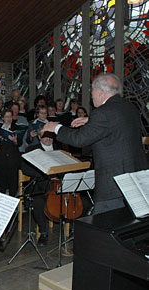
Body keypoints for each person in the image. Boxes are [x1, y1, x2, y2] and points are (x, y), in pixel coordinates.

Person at [42, 73, 149, 214]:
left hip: (113, 185)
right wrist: (89, 120)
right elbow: (115, 123)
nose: (92, 96)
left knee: (102, 231)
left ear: (100, 92)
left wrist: (55, 127)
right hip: (135, 179)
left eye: (92, 91)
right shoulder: (129, 107)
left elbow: (79, 140)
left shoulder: (102, 113)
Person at [21, 129, 60, 246]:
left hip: (58, 186)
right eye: (45, 137)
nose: (48, 139)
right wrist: (46, 173)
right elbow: (25, 169)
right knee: (37, 202)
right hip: (39, 186)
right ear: (39, 137)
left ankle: (73, 227)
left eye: (50, 137)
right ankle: (43, 232)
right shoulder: (32, 150)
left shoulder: (59, 149)